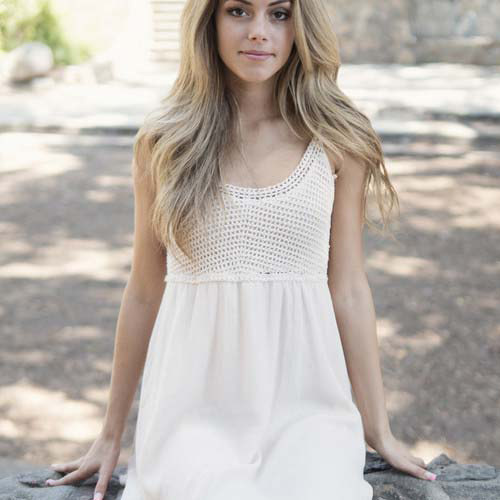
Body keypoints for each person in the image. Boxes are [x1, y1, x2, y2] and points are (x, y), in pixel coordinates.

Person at [45, 0, 437, 498]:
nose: (259, 32)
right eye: (238, 11)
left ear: (301, 24)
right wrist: (110, 434)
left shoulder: (338, 139)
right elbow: (144, 291)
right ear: (208, 21)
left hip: (306, 406)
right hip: (193, 410)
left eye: (278, 13)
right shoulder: (165, 142)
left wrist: (377, 428)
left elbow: (350, 289)